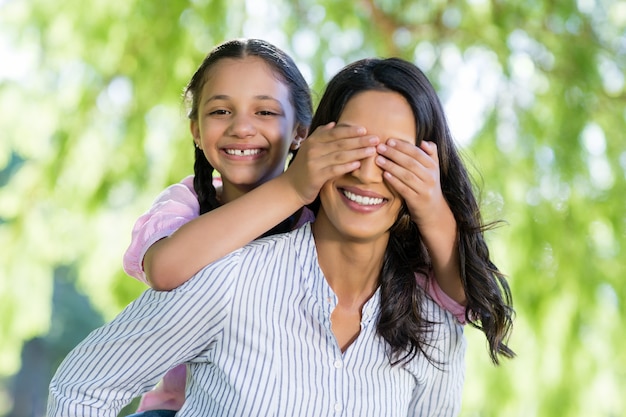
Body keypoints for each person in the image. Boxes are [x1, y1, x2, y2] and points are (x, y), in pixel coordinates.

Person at [47, 57, 513, 417]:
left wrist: (433, 206)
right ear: (310, 148)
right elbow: (82, 389)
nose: (369, 172)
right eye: (349, 145)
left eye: (395, 157)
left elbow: (473, 294)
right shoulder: (229, 278)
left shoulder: (432, 325)